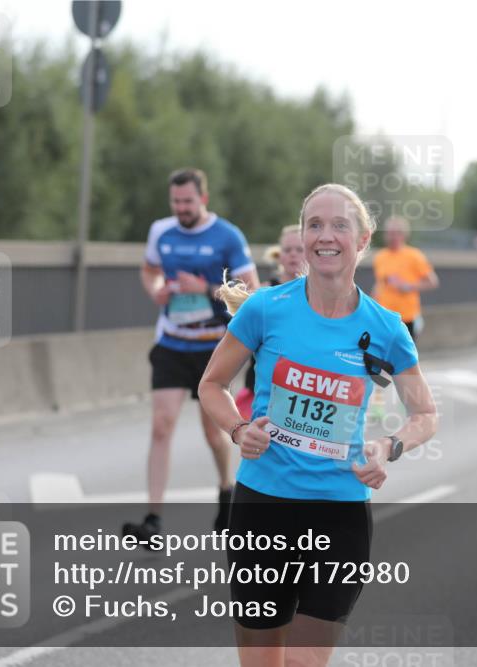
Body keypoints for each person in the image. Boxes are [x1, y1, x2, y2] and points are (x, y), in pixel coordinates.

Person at [199, 184, 438, 665]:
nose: (325, 236)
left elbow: (425, 414)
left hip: (339, 513)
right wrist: (240, 430)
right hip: (263, 506)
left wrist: (388, 446)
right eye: (314, 225)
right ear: (303, 237)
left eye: (339, 226)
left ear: (363, 239)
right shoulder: (266, 309)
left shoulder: (386, 327)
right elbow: (212, 385)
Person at [123, 168, 260, 543]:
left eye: (188, 201)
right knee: (161, 424)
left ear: (204, 198)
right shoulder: (160, 232)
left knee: (212, 433)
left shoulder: (227, 236)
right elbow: (150, 270)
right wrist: (155, 290)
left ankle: (225, 489)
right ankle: (153, 520)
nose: (182, 208)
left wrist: (207, 289)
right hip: (171, 341)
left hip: (212, 347)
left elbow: (252, 293)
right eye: (176, 202)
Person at [236, 225, 307, 419]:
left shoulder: (317, 297)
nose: (293, 255)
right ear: (279, 256)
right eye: (287, 250)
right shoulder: (264, 294)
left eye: (299, 249)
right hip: (261, 384)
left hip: (300, 387)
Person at [372, 216, 439, 342]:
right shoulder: (380, 257)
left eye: (397, 233)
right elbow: (379, 285)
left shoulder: (414, 255)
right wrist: (371, 306)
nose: (393, 237)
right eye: (390, 233)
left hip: (407, 317)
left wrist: (408, 286)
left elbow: (433, 282)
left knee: (405, 359)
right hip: (384, 317)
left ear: (404, 235)